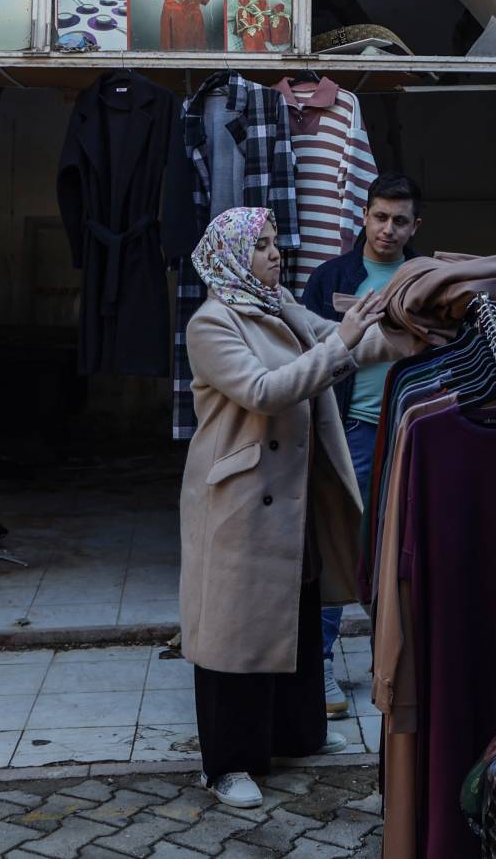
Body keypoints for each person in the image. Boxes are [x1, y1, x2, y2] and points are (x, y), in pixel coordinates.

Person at [181, 206, 418, 809]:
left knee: (295, 612)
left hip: (292, 492)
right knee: (235, 633)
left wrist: (413, 334)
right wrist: (342, 339)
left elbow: (346, 343)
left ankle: (297, 734)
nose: (275, 254)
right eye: (261, 245)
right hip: (240, 500)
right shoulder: (212, 323)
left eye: (274, 242)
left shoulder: (278, 303)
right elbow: (264, 391)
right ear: (233, 257)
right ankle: (227, 765)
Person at [299, 172, 423, 713]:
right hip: (350, 430)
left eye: (400, 221)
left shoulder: (427, 280)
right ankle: (321, 668)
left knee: (400, 548)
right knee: (335, 545)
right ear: (364, 216)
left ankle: (392, 667)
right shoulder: (331, 278)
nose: (388, 229)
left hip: (411, 431)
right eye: (380, 217)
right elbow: (305, 354)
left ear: (415, 226)